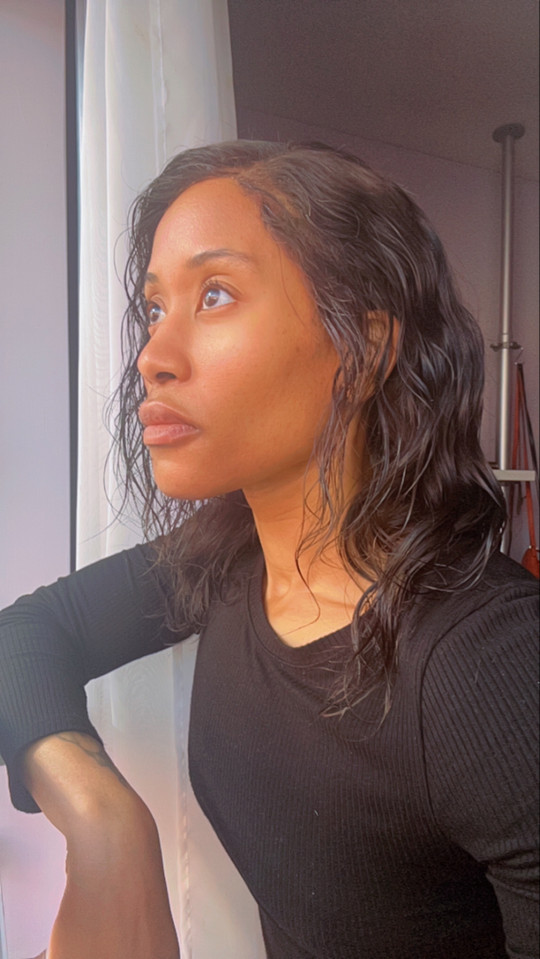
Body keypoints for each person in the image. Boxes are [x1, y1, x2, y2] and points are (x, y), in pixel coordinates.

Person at [0, 141, 538, 959]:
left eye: (214, 295)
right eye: (155, 308)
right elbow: (30, 632)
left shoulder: (491, 665)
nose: (153, 357)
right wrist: (106, 828)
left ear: (364, 350)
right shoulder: (229, 559)